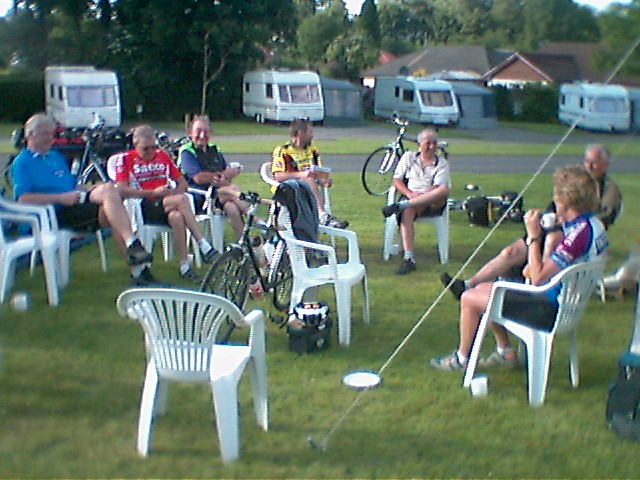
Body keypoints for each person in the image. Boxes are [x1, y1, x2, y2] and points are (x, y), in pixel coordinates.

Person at [430, 165, 609, 371]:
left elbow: (537, 278)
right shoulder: (593, 225)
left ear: (565, 201)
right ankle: (506, 353)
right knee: (491, 286)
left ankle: (462, 359)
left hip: (549, 308)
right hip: (566, 304)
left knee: (469, 297)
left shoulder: (577, 235)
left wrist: (533, 236)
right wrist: (549, 243)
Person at [440, 143, 621, 300]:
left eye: (594, 161)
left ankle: (496, 289)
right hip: (555, 235)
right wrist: (544, 222)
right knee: (511, 252)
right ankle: (469, 284)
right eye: (587, 160)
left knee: (542, 250)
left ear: (606, 164)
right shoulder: (575, 183)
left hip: (563, 254)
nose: (589, 165)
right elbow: (556, 211)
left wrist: (538, 236)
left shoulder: (607, 192)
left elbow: (601, 220)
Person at [11, 113, 158, 286]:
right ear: (30, 135)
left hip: (74, 204)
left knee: (111, 195)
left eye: (52, 134)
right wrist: (60, 197)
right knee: (114, 209)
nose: (50, 138)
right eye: (45, 134)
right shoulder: (22, 163)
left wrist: (89, 189)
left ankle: (139, 269)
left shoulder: (55, 157)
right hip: (54, 214)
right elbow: (23, 199)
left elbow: (72, 185)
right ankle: (135, 255)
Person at [114, 125, 219, 284]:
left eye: (154, 147)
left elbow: (182, 183)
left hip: (166, 202)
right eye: (146, 148)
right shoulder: (126, 160)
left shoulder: (162, 156)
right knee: (182, 200)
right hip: (143, 204)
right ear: (135, 145)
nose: (151, 152)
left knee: (176, 217)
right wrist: (152, 193)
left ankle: (184, 267)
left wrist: (173, 191)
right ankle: (204, 245)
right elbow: (121, 189)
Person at [381, 127, 451, 275]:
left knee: (444, 190)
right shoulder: (409, 157)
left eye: (434, 143)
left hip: (432, 200)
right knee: (407, 212)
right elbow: (397, 180)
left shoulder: (441, 163)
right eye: (428, 143)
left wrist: (422, 196)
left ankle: (400, 205)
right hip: (411, 197)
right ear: (420, 144)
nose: (432, 146)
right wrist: (409, 193)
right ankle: (409, 258)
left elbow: (438, 187)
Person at [177, 116, 250, 239]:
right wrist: (225, 175)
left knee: (231, 207)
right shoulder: (186, 151)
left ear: (211, 133)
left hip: (219, 195)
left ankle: (244, 243)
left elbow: (225, 178)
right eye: (198, 131)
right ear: (190, 133)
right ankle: (255, 218)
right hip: (199, 197)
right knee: (233, 190)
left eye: (206, 131)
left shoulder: (214, 150)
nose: (202, 135)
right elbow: (199, 178)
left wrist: (228, 175)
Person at [271, 118, 349, 229]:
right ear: (300, 133)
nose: (312, 135)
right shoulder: (283, 151)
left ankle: (322, 217)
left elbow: (318, 173)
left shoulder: (313, 151)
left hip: (308, 190)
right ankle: (322, 216)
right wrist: (302, 175)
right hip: (287, 190)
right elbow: (278, 176)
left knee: (309, 179)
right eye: (310, 132)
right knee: (307, 179)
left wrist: (324, 180)